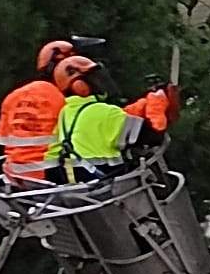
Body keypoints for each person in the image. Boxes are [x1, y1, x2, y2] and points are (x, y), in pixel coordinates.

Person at [46, 55, 180, 182]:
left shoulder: (65, 113)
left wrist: (142, 105)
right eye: (93, 79)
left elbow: (113, 121)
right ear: (79, 86)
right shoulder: (103, 112)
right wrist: (157, 102)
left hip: (82, 192)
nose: (99, 83)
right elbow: (153, 136)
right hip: (113, 189)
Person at [0, 38, 77, 184]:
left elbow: (2, 138)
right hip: (48, 176)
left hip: (12, 175)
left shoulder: (13, 96)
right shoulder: (62, 99)